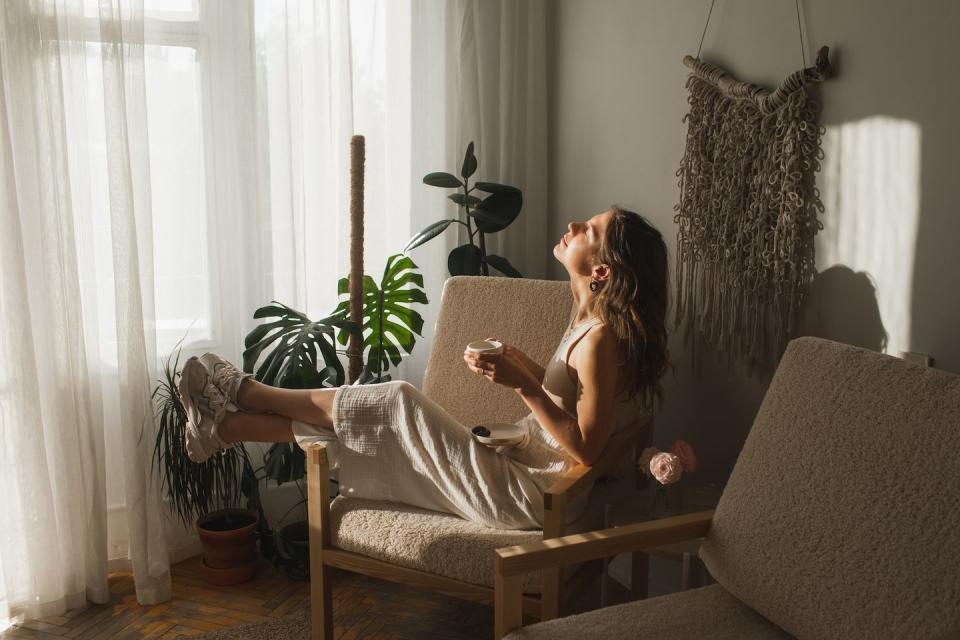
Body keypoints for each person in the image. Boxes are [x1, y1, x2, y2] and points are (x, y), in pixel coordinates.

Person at [177, 205, 671, 530]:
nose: (575, 226)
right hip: (521, 468)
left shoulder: (602, 338)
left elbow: (586, 446)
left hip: (530, 497)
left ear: (600, 271)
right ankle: (226, 426)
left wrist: (525, 386)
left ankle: (247, 394)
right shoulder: (588, 323)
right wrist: (524, 366)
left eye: (591, 230)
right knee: (381, 421)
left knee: (395, 401)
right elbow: (575, 402)